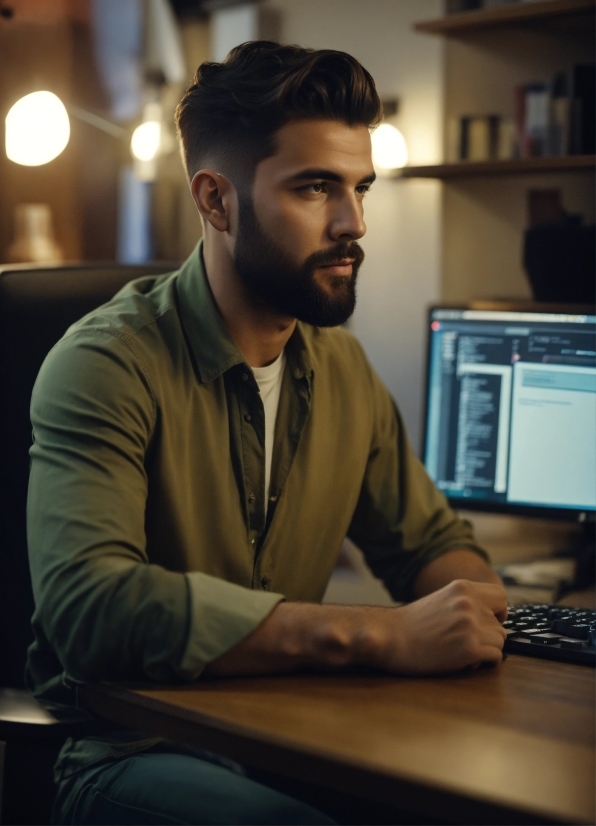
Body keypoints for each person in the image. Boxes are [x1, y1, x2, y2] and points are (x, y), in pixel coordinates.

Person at [26, 41, 508, 825]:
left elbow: (428, 546)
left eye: (361, 189)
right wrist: (375, 637)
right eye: (316, 188)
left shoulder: (342, 369)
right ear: (216, 201)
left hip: (292, 735)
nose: (353, 224)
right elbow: (92, 609)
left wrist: (473, 607)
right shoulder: (105, 364)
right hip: (128, 751)